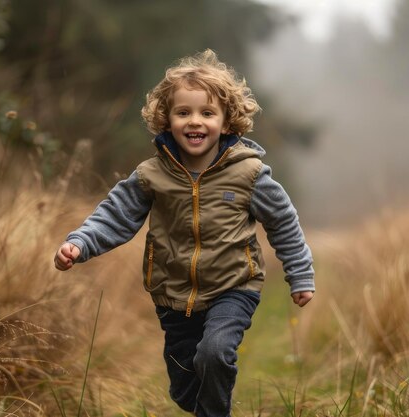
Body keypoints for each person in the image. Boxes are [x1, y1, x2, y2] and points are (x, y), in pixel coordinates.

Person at [54, 49, 314, 417]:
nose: (195, 121)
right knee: (184, 387)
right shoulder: (151, 175)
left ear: (226, 122)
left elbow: (284, 224)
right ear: (167, 119)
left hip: (234, 287)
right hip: (173, 294)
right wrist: (79, 243)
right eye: (183, 112)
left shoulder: (250, 173)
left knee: (214, 353)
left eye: (207, 113)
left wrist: (300, 275)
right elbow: (114, 216)